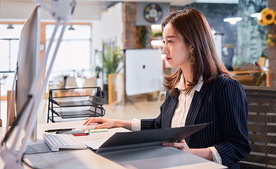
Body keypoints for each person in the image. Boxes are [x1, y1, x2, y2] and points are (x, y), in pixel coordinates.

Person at [84, 8, 251, 169]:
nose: (164, 49)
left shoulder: (225, 88)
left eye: (170, 41)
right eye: (164, 42)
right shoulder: (175, 87)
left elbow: (239, 145)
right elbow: (161, 126)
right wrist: (115, 123)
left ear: (192, 45)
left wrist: (192, 153)